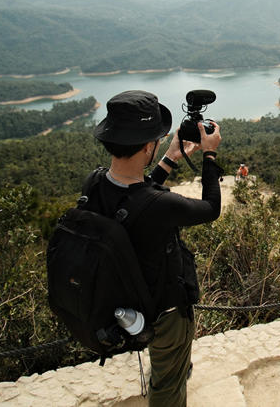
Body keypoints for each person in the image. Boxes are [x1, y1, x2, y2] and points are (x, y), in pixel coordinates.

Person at [91, 90, 222, 407]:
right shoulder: (160, 205)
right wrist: (209, 155)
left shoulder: (95, 184)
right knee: (167, 387)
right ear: (149, 145)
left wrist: (171, 157)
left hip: (129, 305)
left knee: (166, 373)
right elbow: (211, 208)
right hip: (166, 311)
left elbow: (137, 193)